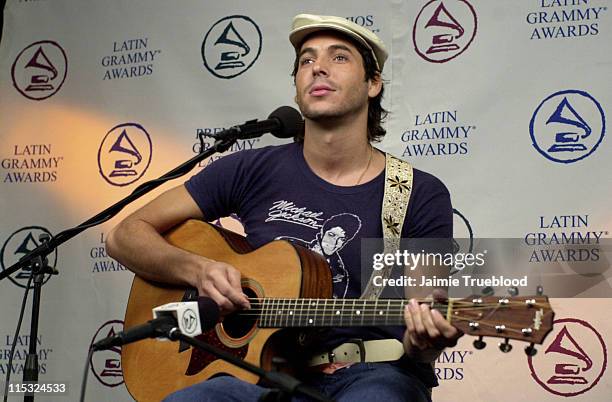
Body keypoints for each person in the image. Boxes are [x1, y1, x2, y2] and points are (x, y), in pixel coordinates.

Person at [106, 13, 462, 402]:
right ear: (296, 87)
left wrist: (426, 337)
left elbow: (426, 331)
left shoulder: (418, 193)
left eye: (339, 57)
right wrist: (200, 269)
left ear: (373, 83)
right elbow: (125, 235)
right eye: (306, 60)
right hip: (259, 374)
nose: (318, 68)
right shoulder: (251, 168)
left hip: (371, 376)